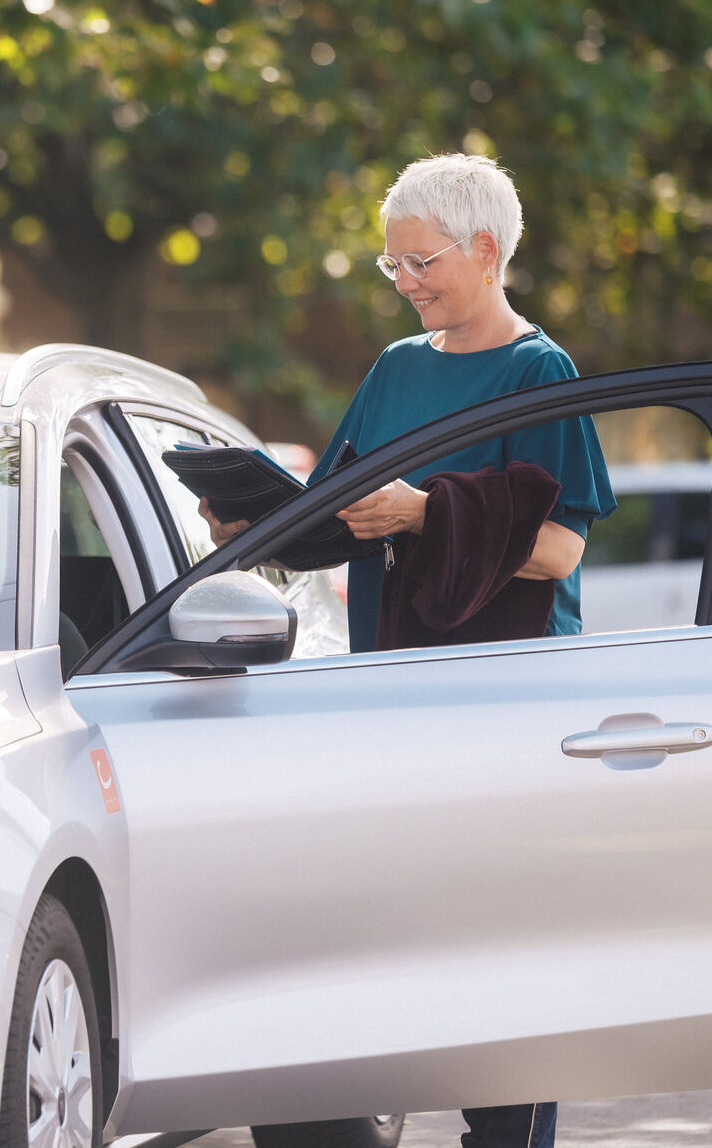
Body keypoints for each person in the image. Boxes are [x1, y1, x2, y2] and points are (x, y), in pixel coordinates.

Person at [207, 152, 614, 1148]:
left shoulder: (537, 371)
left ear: (485, 251)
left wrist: (429, 512)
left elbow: (559, 546)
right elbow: (341, 508)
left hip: (500, 707)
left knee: (498, 950)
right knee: (397, 938)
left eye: (422, 262)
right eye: (393, 266)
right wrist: (249, 526)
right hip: (392, 696)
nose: (407, 283)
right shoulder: (396, 368)